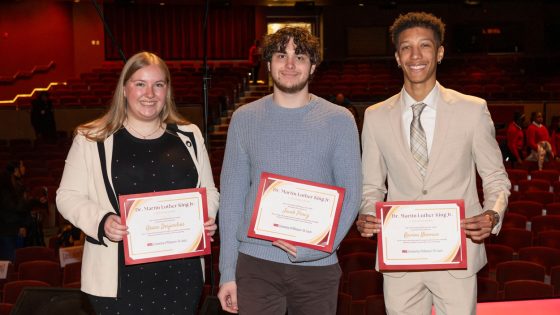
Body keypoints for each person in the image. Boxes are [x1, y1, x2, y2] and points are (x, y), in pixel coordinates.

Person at [355, 12, 510, 315]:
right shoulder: (374, 116)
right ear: (397, 57)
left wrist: (492, 214)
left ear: (439, 53)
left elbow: (495, 178)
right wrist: (367, 214)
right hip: (400, 257)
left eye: (425, 46)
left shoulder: (472, 110)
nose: (415, 55)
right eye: (406, 48)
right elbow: (372, 186)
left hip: (458, 254)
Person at [56, 51, 219, 314]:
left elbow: (208, 190)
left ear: (167, 90)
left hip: (182, 274)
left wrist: (205, 217)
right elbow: (67, 196)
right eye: (140, 84)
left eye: (158, 85)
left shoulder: (189, 135)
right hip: (118, 278)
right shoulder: (91, 138)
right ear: (124, 89)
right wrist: (103, 221)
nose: (150, 93)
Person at [217, 27, 362, 314]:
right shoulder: (244, 119)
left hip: (317, 267)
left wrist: (319, 247)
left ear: (314, 66)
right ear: (269, 63)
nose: (291, 64)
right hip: (255, 264)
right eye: (282, 55)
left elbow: (352, 195)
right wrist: (227, 273)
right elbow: (232, 201)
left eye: (301, 56)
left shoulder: (340, 120)